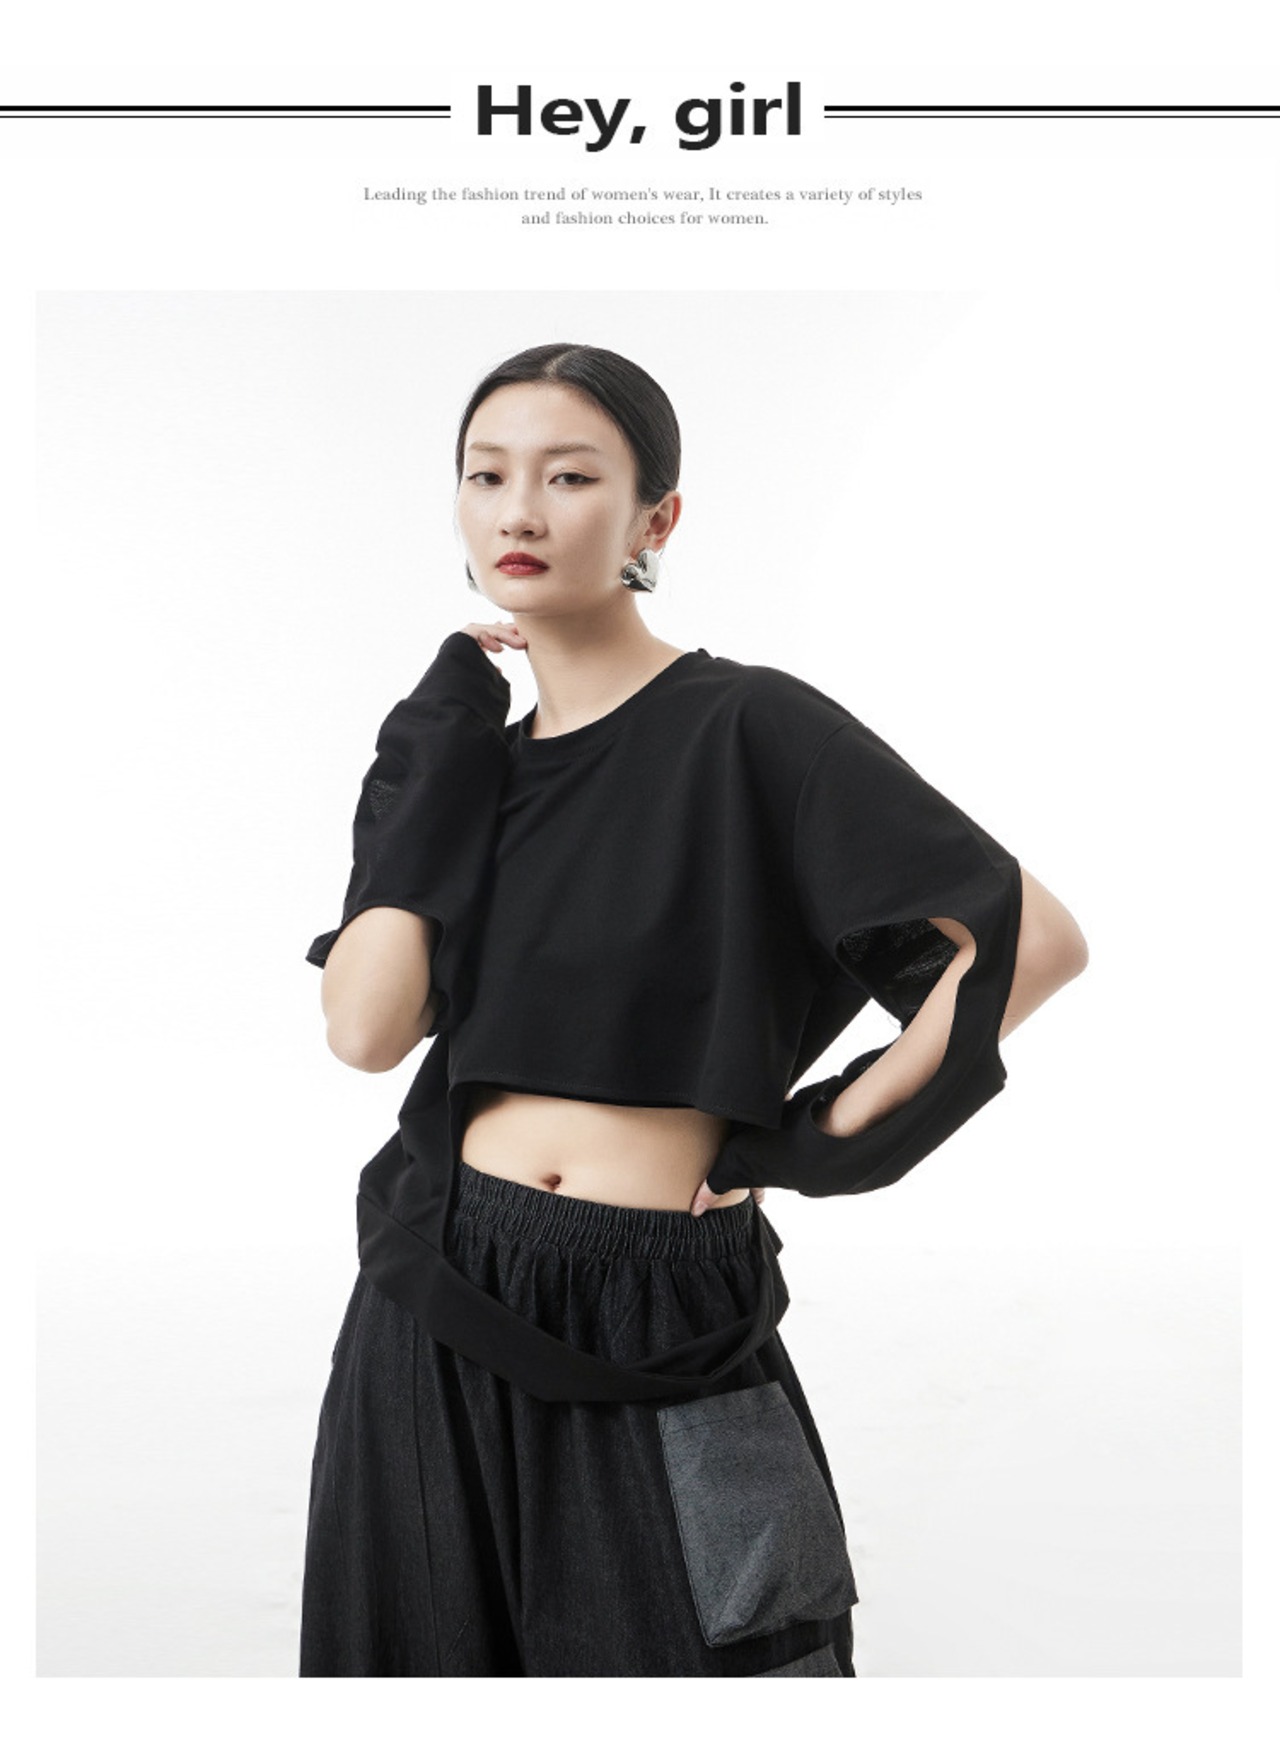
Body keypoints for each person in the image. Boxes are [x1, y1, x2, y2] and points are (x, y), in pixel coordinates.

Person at [297, 342, 1088, 1678]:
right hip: (437, 1290)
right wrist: (431, 753)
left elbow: (1030, 942)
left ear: (654, 520)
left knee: (732, 1665)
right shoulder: (461, 766)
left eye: (570, 477)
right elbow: (366, 1031)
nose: (519, 511)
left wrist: (803, 1142)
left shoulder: (747, 727)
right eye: (486, 477)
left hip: (660, 1308)